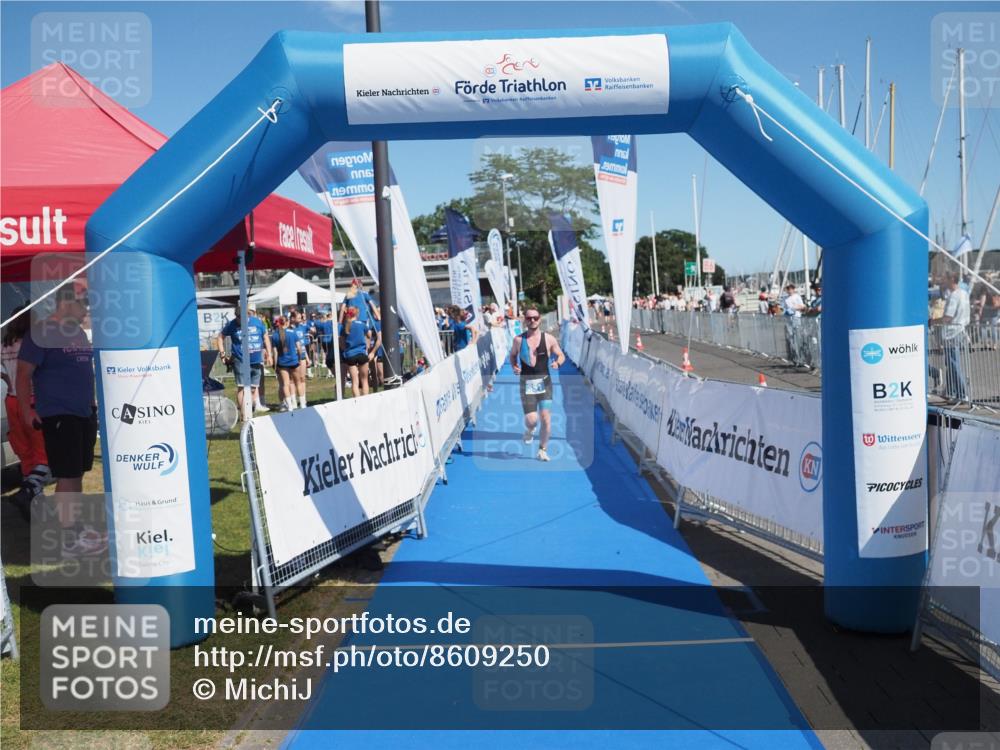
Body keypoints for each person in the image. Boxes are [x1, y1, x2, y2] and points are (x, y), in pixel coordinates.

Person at [16, 286, 103, 556]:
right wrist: (26, 411)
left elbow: (82, 371)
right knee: (66, 474)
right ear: (66, 303)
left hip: (83, 413)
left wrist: (91, 403)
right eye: (83, 302)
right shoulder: (41, 333)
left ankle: (76, 529)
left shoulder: (77, 332)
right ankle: (69, 539)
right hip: (58, 414)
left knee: (76, 472)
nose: (87, 307)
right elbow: (22, 374)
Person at [2, 304, 51, 517]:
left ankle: (34, 504)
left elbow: (3, 374)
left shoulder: (5, 344)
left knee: (25, 452)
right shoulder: (32, 345)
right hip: (31, 402)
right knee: (43, 453)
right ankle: (29, 492)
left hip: (11, 401)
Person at [510, 306, 566, 462]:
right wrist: (515, 366)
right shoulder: (518, 340)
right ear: (525, 320)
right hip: (526, 384)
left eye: (535, 317)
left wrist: (558, 363)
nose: (532, 320)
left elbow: (561, 355)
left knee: (545, 417)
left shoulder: (548, 339)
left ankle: (542, 450)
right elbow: (512, 356)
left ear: (540, 319)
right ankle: (530, 429)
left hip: (545, 383)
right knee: (532, 420)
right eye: (529, 318)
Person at [217, 307, 271, 419]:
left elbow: (265, 337)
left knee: (252, 388)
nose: (239, 320)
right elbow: (220, 337)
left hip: (256, 360)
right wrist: (222, 354)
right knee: (242, 387)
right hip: (240, 359)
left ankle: (249, 411)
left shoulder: (257, 322)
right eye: (237, 317)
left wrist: (269, 354)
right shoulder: (232, 325)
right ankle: (244, 415)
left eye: (241, 317)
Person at [931, 272, 970, 401]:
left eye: (945, 279)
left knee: (953, 364)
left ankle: (962, 393)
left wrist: (932, 321)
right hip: (960, 330)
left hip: (951, 333)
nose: (944, 281)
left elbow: (948, 317)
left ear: (951, 279)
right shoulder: (964, 293)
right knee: (952, 363)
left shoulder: (954, 296)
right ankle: (953, 392)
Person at [270, 316, 308, 411]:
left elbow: (275, 353)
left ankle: (290, 406)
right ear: (286, 322)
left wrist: (275, 365)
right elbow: (299, 348)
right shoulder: (293, 333)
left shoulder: (274, 335)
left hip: (282, 363)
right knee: (298, 382)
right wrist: (299, 358)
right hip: (294, 361)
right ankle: (303, 404)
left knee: (285, 384)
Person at [341, 307, 373, 398]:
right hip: (362, 353)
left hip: (350, 354)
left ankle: (357, 401)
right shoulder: (362, 324)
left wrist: (345, 349)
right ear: (357, 314)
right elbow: (369, 335)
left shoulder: (346, 325)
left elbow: (341, 340)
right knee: (364, 380)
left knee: (355, 381)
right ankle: (365, 400)